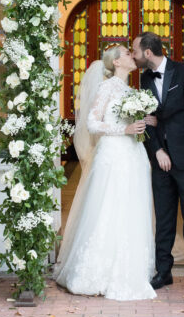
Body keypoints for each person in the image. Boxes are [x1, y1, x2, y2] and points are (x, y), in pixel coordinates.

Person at [54, 45, 156, 301]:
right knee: (108, 207)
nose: (133, 55)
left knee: (130, 209)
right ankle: (96, 273)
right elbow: (91, 123)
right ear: (117, 62)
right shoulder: (107, 87)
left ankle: (128, 269)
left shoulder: (129, 90)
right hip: (113, 155)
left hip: (132, 154)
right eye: (127, 53)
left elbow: (128, 121)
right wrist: (124, 130)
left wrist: (144, 122)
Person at [132, 32, 184, 294]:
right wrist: (157, 151)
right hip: (162, 161)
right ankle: (163, 272)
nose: (133, 55)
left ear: (147, 52)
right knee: (164, 220)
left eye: (135, 50)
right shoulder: (145, 79)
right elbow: (148, 118)